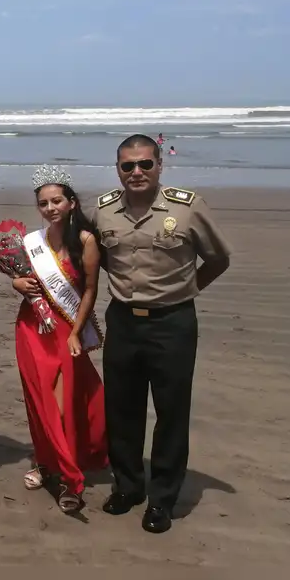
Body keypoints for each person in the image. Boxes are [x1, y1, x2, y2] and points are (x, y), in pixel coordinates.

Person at [91, 134, 232, 533]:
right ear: (117, 169)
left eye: (145, 164)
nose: (137, 172)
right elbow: (92, 257)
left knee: (171, 412)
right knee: (122, 409)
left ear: (159, 165)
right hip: (123, 321)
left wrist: (185, 290)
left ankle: (163, 499)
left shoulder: (188, 208)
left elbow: (217, 258)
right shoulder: (102, 212)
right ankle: (128, 486)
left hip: (173, 323)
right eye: (127, 166)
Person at [12, 165, 107, 514]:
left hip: (66, 332)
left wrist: (77, 333)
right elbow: (21, 280)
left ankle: (70, 477)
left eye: (56, 201)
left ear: (70, 203)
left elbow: (90, 290)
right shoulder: (31, 242)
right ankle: (43, 460)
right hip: (31, 329)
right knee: (38, 401)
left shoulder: (85, 241)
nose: (50, 208)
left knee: (61, 404)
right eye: (43, 203)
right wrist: (16, 284)